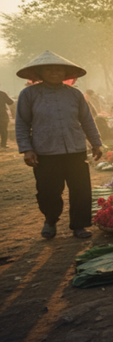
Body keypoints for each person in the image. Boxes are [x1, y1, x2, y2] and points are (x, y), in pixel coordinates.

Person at [15, 51, 102, 239]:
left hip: (75, 149)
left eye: (58, 70)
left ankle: (79, 225)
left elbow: (87, 120)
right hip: (45, 151)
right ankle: (50, 220)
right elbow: (22, 122)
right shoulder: (29, 94)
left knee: (80, 189)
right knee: (48, 190)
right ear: (39, 73)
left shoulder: (75, 94)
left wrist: (96, 143)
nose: (54, 73)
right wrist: (27, 149)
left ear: (66, 73)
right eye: (49, 69)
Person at [0, 84, 13, 148]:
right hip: (2, 115)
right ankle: (3, 144)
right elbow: (10, 102)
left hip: (3, 115)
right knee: (4, 130)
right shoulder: (2, 94)